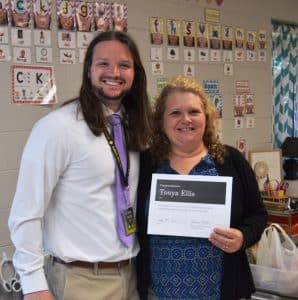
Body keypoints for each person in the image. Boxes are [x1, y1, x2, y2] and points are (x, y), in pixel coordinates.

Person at [8, 30, 153, 300]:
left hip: (131, 275)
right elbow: (26, 212)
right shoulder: (57, 127)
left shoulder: (136, 127)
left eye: (124, 65)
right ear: (89, 71)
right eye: (103, 64)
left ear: (135, 73)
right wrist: (34, 285)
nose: (114, 72)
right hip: (78, 280)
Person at [136, 75, 268, 300]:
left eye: (194, 112)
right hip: (159, 292)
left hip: (221, 291)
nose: (185, 119)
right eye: (175, 112)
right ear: (161, 120)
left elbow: (258, 214)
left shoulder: (230, 160)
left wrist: (242, 237)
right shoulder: (146, 163)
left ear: (206, 117)